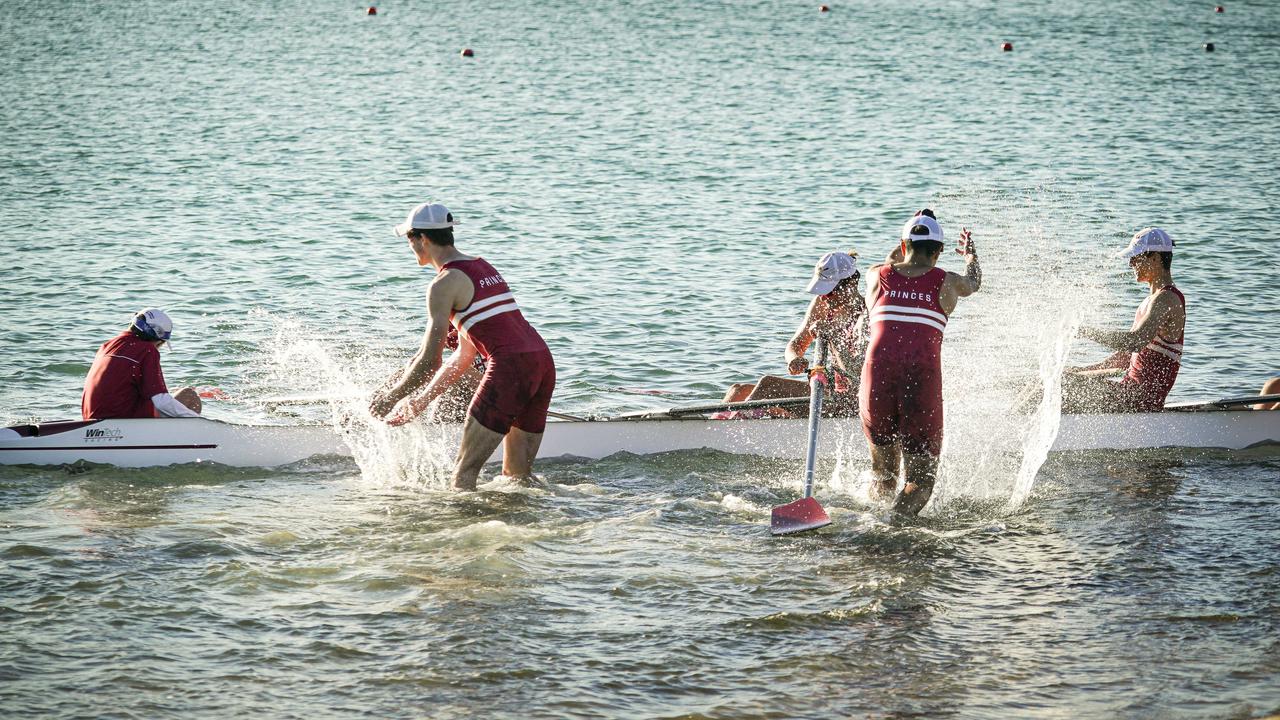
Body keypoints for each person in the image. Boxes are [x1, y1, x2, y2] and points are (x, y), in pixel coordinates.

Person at [368, 201, 556, 490]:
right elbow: (464, 354)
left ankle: (465, 533)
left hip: (510, 367)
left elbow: (429, 361)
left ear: (423, 239)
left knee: (462, 477)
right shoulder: (481, 266)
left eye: (409, 239)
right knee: (518, 479)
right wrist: (420, 402)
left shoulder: (443, 284)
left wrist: (389, 398)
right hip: (542, 362)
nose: (409, 247)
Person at [859, 209, 981, 515]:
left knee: (884, 475)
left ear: (902, 247)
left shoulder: (876, 275)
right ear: (939, 252)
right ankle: (891, 526)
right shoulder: (949, 283)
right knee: (921, 480)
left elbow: (893, 262)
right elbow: (974, 281)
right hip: (920, 380)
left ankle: (874, 521)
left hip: (877, 378)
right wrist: (970, 255)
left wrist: (903, 244)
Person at [719, 251, 867, 418]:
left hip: (851, 402)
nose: (824, 298)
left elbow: (856, 374)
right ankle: (713, 428)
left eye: (829, 292)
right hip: (827, 391)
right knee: (738, 390)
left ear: (852, 284)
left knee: (768, 386)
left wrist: (830, 335)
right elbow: (795, 345)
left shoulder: (866, 315)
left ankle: (732, 432)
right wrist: (794, 359)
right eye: (821, 291)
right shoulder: (822, 305)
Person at [1064, 227, 1185, 413]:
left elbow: (1135, 342)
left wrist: (1085, 332)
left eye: (1135, 257)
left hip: (1141, 400)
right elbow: (1124, 358)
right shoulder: (1149, 301)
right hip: (1127, 393)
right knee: (1057, 378)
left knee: (1058, 385)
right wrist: (1081, 371)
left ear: (1155, 258)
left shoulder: (1167, 299)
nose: (1131, 264)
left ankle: (1014, 435)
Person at [82, 309, 203, 420]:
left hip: (91, 419)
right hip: (124, 422)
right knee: (189, 395)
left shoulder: (107, 346)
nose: (159, 346)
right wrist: (199, 421)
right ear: (155, 335)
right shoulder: (147, 350)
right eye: (160, 343)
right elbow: (161, 402)